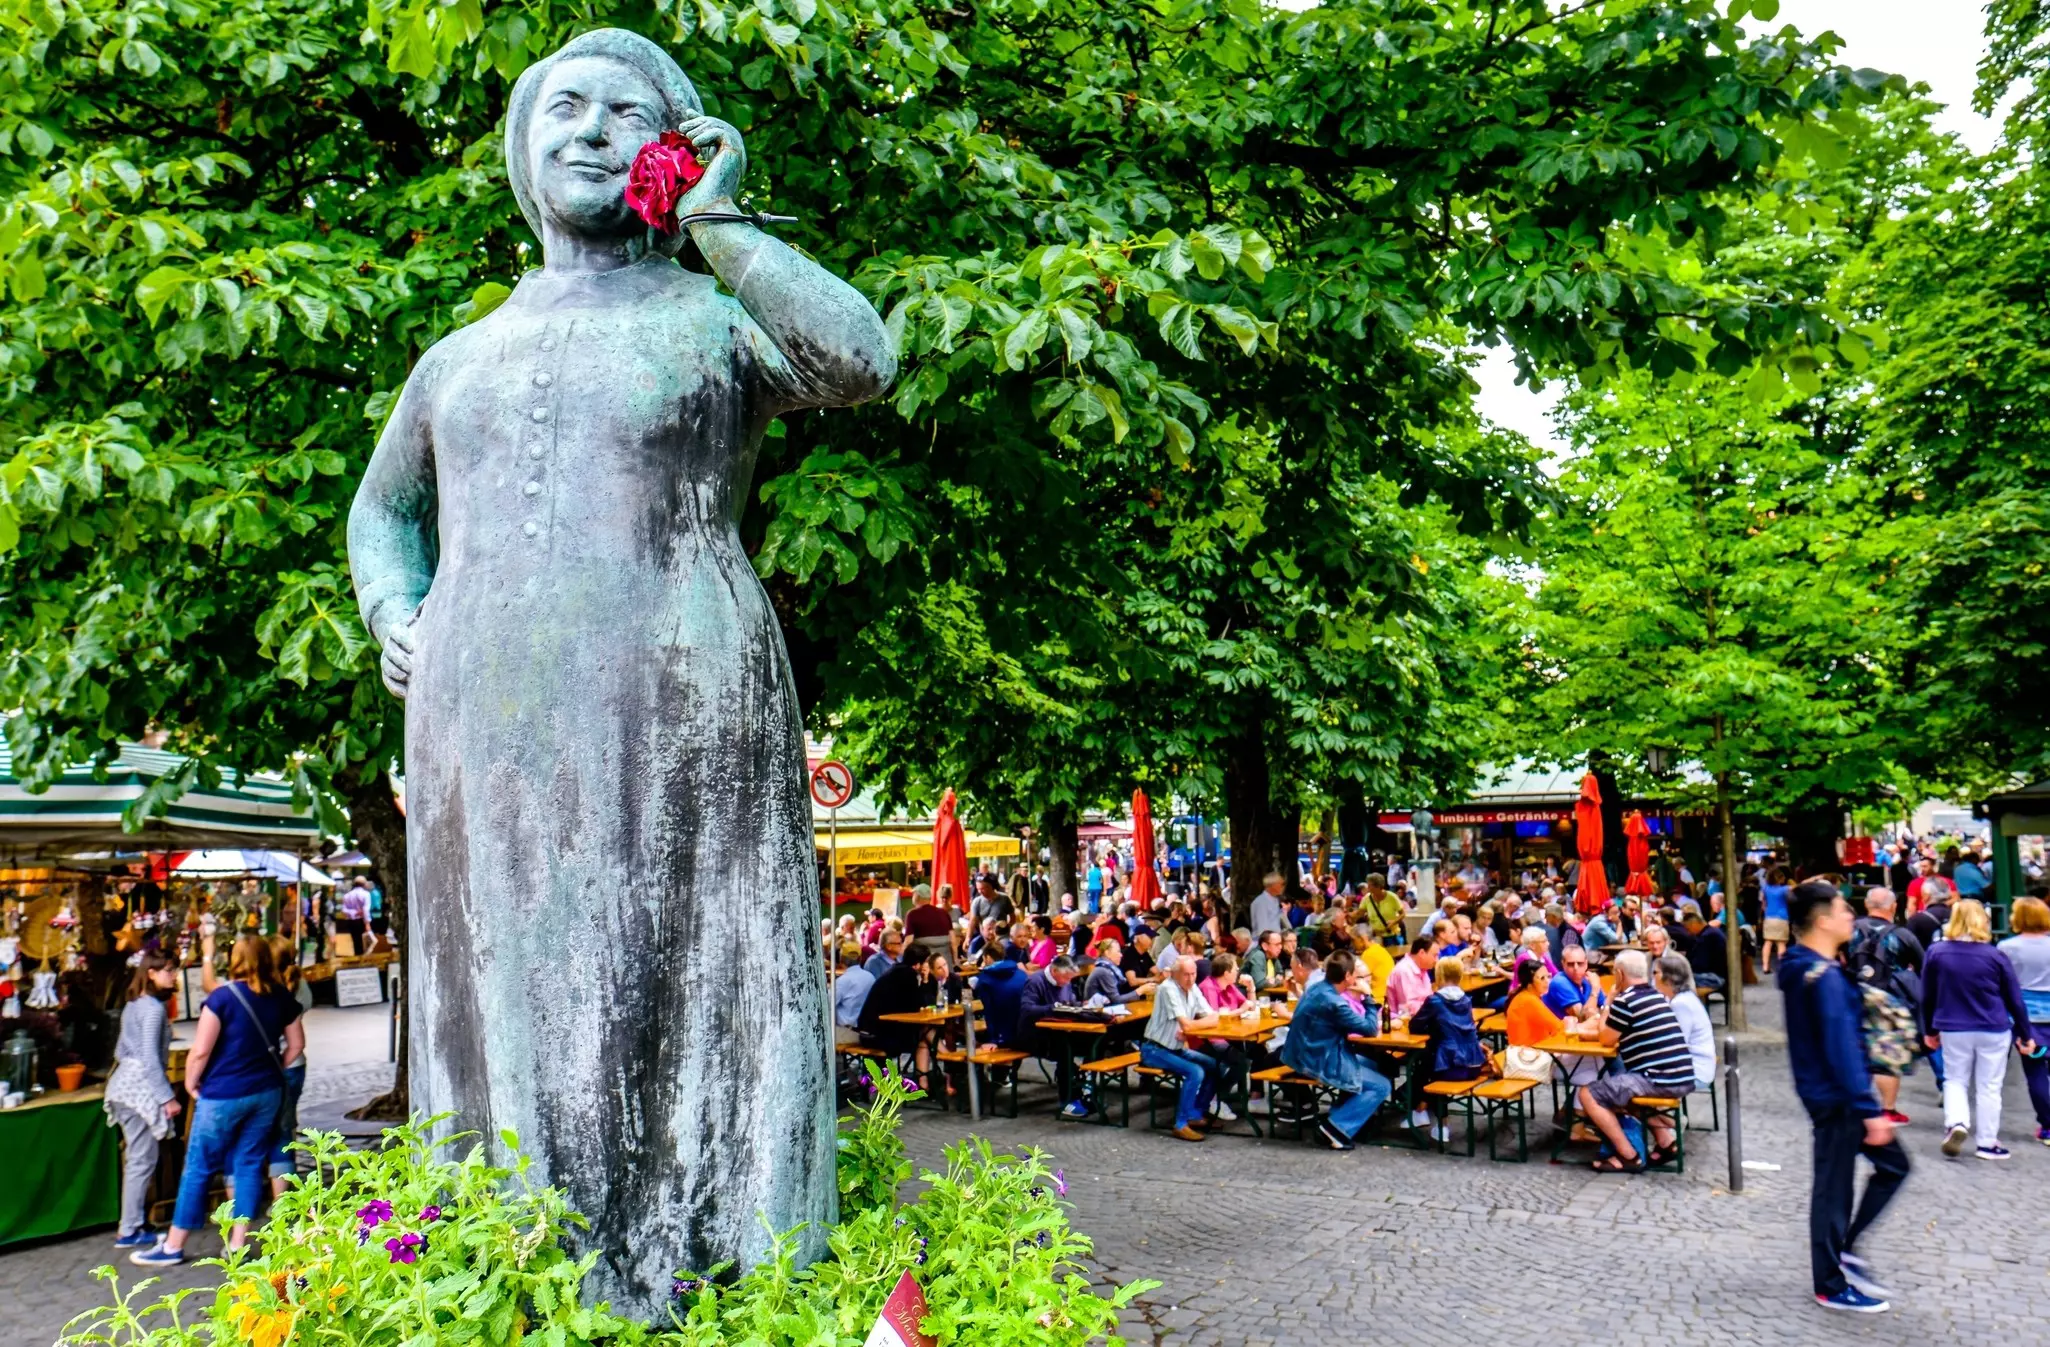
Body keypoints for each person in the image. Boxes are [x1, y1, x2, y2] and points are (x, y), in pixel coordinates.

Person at [132, 935, 305, 1267]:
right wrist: (274, 1070)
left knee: (199, 1166)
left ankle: (173, 1244)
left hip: (223, 1093)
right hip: (267, 1092)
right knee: (249, 1164)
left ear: (234, 960)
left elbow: (201, 1050)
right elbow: (296, 1044)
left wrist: (191, 1081)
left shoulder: (222, 998)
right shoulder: (280, 995)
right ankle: (238, 1245)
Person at [1779, 878, 1910, 1313]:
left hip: (1828, 1093)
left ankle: (1844, 1255)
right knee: (1833, 1190)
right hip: (1837, 1097)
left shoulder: (1803, 966)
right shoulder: (1823, 978)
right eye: (1843, 910)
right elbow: (1841, 1046)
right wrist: (1869, 1108)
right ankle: (1832, 1281)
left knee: (1879, 1170)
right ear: (1822, 921)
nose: (1851, 916)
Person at [1921, 899, 2036, 1160]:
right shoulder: (1995, 955)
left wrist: (1929, 1029)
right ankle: (1987, 1143)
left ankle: (1957, 1123)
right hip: (1993, 1026)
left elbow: (1927, 995)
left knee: (1955, 1079)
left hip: (1952, 1025)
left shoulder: (1937, 952)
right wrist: (2025, 1034)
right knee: (1989, 1086)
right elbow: (2014, 999)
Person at [1576, 949, 1693, 1172]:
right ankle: (1666, 1143)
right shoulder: (1656, 995)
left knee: (1588, 1094)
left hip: (1659, 1079)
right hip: (1682, 1074)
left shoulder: (1625, 1000)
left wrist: (1608, 1001)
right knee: (1623, 1093)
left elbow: (1606, 1039)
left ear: (1619, 975)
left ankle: (1628, 1155)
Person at [104, 951, 182, 1250]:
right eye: (168, 970)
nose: (173, 975)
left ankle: (133, 1221)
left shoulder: (134, 1004)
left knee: (140, 1157)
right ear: (151, 973)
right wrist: (166, 1097)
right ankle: (130, 1228)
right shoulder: (153, 1010)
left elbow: (123, 1049)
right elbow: (149, 1057)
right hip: (138, 1089)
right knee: (141, 1158)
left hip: (125, 1085)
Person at [1279, 951, 1391, 1150]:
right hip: (1317, 1060)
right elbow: (1370, 1029)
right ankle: (1335, 1128)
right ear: (1347, 977)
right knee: (1382, 1086)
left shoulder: (1317, 988)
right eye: (1356, 974)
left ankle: (1342, 1112)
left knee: (1374, 1064)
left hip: (1304, 1052)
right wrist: (1368, 997)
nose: (1359, 979)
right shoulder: (1335, 1002)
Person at [1845, 887, 1923, 1125]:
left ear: (1867, 905)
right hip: (1890, 1001)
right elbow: (1923, 965)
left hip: (1854, 994)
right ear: (1893, 907)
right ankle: (1888, 1109)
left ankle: (1856, 1103)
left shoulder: (1850, 929)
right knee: (1887, 1055)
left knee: (1856, 1049)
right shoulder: (1902, 935)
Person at [1141, 956, 1226, 1142]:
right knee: (1195, 1071)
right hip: (1154, 1049)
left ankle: (1195, 1113)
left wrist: (1191, 1027)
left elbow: (1213, 1017)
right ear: (1174, 974)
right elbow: (1187, 1025)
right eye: (1186, 974)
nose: (1190, 978)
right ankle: (1181, 1124)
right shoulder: (1167, 988)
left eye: (1193, 973)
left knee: (1216, 1066)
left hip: (1175, 1048)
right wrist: (1191, 1027)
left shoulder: (1192, 987)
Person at [1407, 957, 1488, 1143]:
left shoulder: (1435, 1001)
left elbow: (1415, 1026)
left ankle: (1438, 1124)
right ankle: (1420, 1109)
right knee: (1426, 1064)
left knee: (1426, 1067)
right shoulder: (1465, 1000)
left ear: (1439, 975)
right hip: (1474, 1062)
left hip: (1450, 1063)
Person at [1997, 895, 2050, 1145]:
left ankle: (2048, 1125)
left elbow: (2004, 985)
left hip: (2026, 1016)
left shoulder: (2007, 947)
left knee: (2035, 1070)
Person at [265, 935, 313, 1196]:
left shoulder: (267, 988)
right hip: (295, 1065)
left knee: (267, 1131)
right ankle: (282, 1198)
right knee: (285, 1129)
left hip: (275, 1064)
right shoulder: (300, 985)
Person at [1655, 954, 1717, 1095]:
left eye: (1656, 973)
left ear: (1668, 978)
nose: (1653, 977)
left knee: (1636, 1078)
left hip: (1695, 1072)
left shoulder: (1681, 1003)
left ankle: (1664, 1116)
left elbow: (1676, 1044)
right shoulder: (1681, 998)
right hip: (1694, 1066)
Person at [972, 953, 1028, 1047]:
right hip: (1026, 1033)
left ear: (987, 958)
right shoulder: (1021, 973)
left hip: (1002, 1037)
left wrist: (993, 1040)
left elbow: (988, 1012)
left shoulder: (985, 979)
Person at [831, 942, 875, 1044]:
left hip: (847, 1032)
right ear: (860, 958)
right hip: (866, 1031)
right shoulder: (871, 977)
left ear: (841, 959)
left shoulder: (842, 982)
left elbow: (826, 1006)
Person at [1384, 936, 1436, 1019]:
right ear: (1422, 953)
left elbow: (1428, 997)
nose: (1437, 959)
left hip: (1423, 1017)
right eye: (1435, 955)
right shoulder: (1403, 971)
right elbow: (1407, 1008)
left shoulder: (1423, 968)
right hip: (1402, 1021)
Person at [1084, 939, 1145, 1005]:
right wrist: (1140, 991)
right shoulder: (1103, 971)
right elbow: (1116, 1000)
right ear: (1107, 953)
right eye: (1118, 951)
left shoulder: (1108, 969)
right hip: (1095, 1012)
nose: (1121, 955)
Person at [1680, 910, 1727, 993]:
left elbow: (1699, 964)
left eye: (1688, 929)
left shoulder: (1707, 936)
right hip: (1717, 973)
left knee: (1678, 979)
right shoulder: (1711, 932)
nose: (1688, 932)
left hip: (1715, 976)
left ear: (1693, 925)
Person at [904, 885, 954, 958]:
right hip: (945, 960)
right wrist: (955, 961)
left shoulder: (912, 914)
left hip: (923, 961)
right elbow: (953, 941)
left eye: (913, 894)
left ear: (917, 896)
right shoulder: (943, 913)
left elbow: (908, 941)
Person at [1760, 867, 1792, 973]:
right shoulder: (1784, 889)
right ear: (1779, 878)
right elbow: (1797, 888)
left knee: (1767, 942)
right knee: (1781, 943)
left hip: (1769, 917)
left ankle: (1765, 966)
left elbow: (1763, 903)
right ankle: (1782, 966)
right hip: (1781, 917)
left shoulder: (1765, 888)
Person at [1362, 875, 1407, 948]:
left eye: (1370, 885)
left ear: (1378, 886)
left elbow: (1403, 914)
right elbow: (1360, 912)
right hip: (1376, 937)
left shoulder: (1391, 897)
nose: (1368, 887)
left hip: (1391, 936)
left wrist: (1393, 922)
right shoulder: (1367, 898)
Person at [1249, 872, 1286, 940]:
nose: (1283, 887)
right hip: (1264, 942)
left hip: (1274, 940)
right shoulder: (1261, 902)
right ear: (1273, 885)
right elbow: (1262, 928)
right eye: (1281, 884)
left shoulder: (1275, 900)